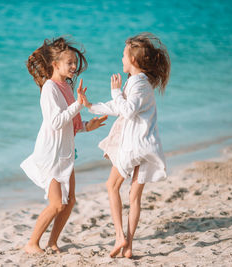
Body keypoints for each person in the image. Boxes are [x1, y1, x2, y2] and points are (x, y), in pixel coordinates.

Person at [82, 32, 171, 258]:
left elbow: (127, 109)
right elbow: (119, 107)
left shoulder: (138, 83)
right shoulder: (141, 84)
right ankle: (129, 247)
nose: (121, 59)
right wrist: (91, 106)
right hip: (146, 147)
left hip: (134, 147)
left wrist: (114, 91)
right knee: (134, 196)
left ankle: (120, 236)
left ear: (133, 60)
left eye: (123, 56)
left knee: (111, 186)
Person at [21, 37, 107, 254]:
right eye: (69, 62)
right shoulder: (50, 88)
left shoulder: (66, 87)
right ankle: (31, 244)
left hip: (66, 153)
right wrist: (79, 104)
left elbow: (71, 124)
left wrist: (89, 126)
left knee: (69, 202)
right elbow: (56, 122)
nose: (73, 66)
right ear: (55, 64)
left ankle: (52, 242)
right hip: (50, 153)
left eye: (74, 62)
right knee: (57, 204)